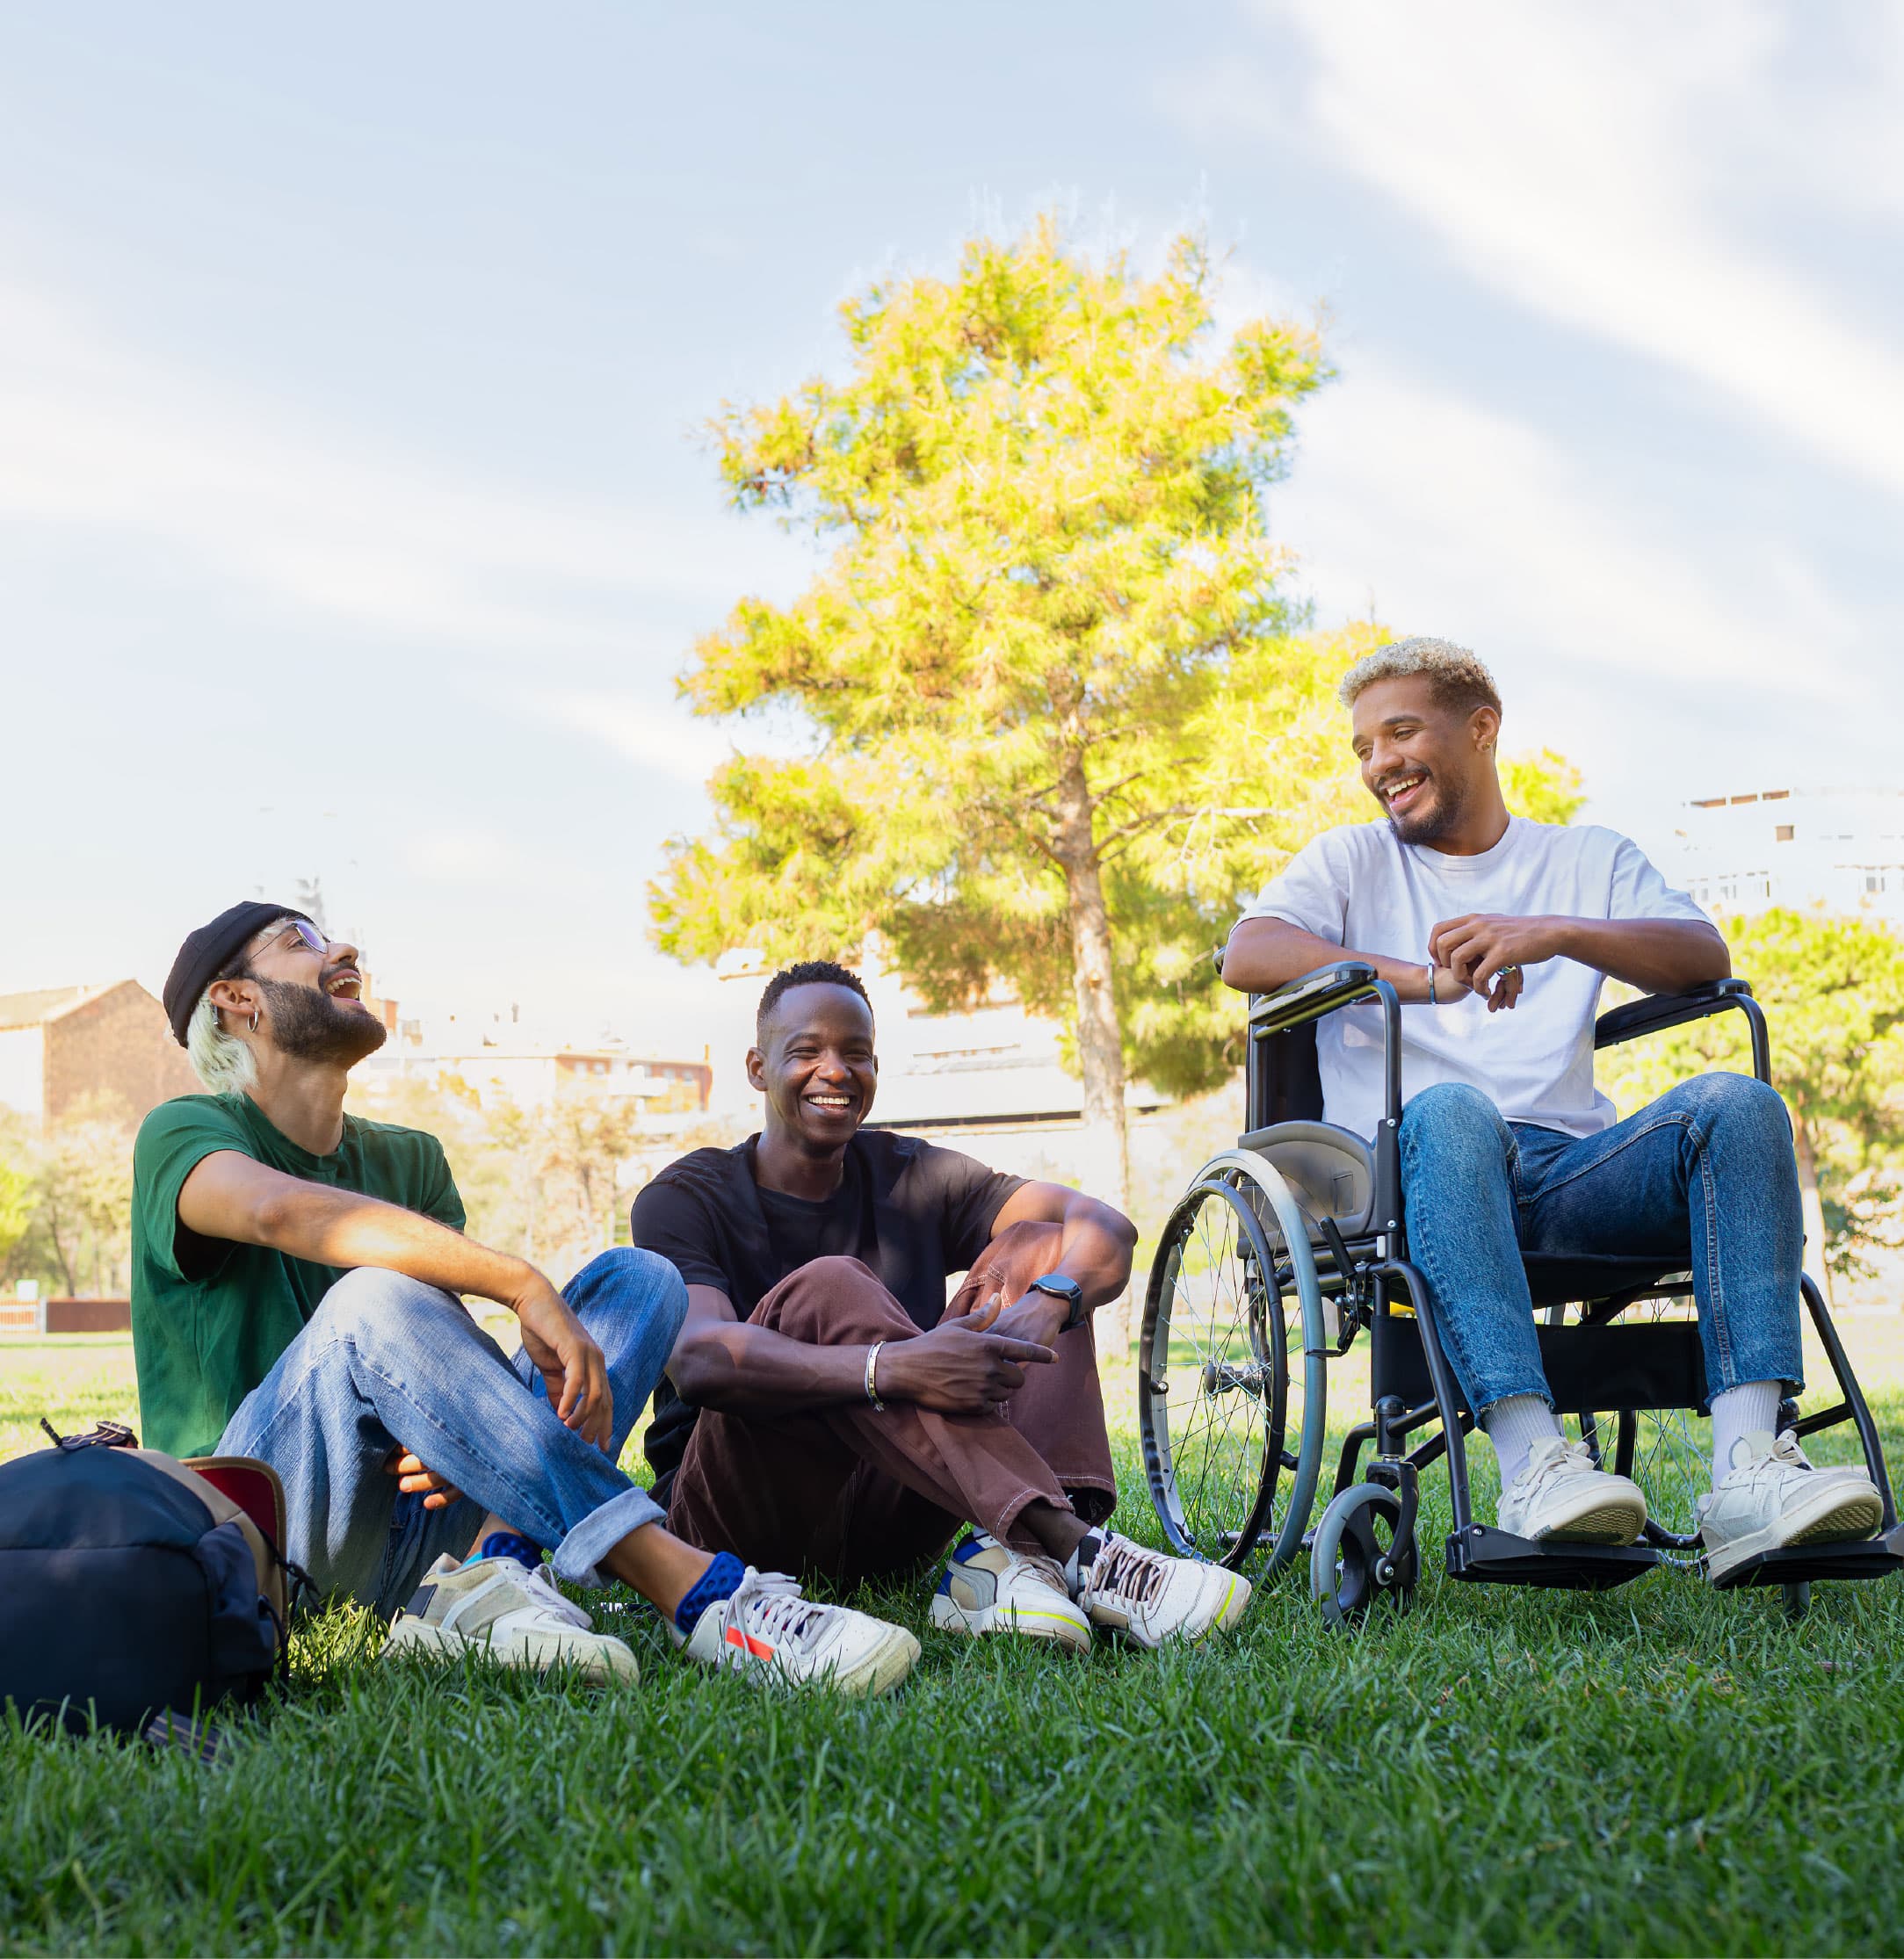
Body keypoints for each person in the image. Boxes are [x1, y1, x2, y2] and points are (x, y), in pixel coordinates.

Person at [129, 902, 920, 1695]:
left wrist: (443, 1431)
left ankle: (489, 1572)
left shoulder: (410, 1159)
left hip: (418, 1531)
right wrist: (520, 1282)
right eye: (300, 940)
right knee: (371, 1298)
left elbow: (430, 1344)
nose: (342, 947)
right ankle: (696, 1590)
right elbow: (278, 1211)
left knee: (640, 1280)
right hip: (262, 1536)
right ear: (237, 999)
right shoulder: (183, 1131)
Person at [1220, 638, 1882, 1579]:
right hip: (1416, 1169)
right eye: (1364, 747)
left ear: (1480, 728)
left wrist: (1556, 932)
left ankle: (1749, 1471)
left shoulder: (1585, 858)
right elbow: (1247, 953)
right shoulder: (1351, 861)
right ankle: (1533, 1466)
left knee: (1737, 1104)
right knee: (1451, 1109)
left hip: (1569, 1170)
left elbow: (1702, 955)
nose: (1379, 764)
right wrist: (1421, 979)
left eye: (1400, 733)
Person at [632, 960, 1252, 1650]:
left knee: (1043, 1246)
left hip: (891, 1517)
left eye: (855, 1053)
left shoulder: (910, 1174)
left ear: (874, 1069)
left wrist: (1046, 1304)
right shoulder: (685, 1197)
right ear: (757, 1068)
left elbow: (1101, 1227)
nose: (834, 1070)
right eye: (806, 1051)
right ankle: (1075, 1549)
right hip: (738, 1523)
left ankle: (1022, 1561)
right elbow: (702, 1360)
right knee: (828, 1286)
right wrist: (894, 1368)